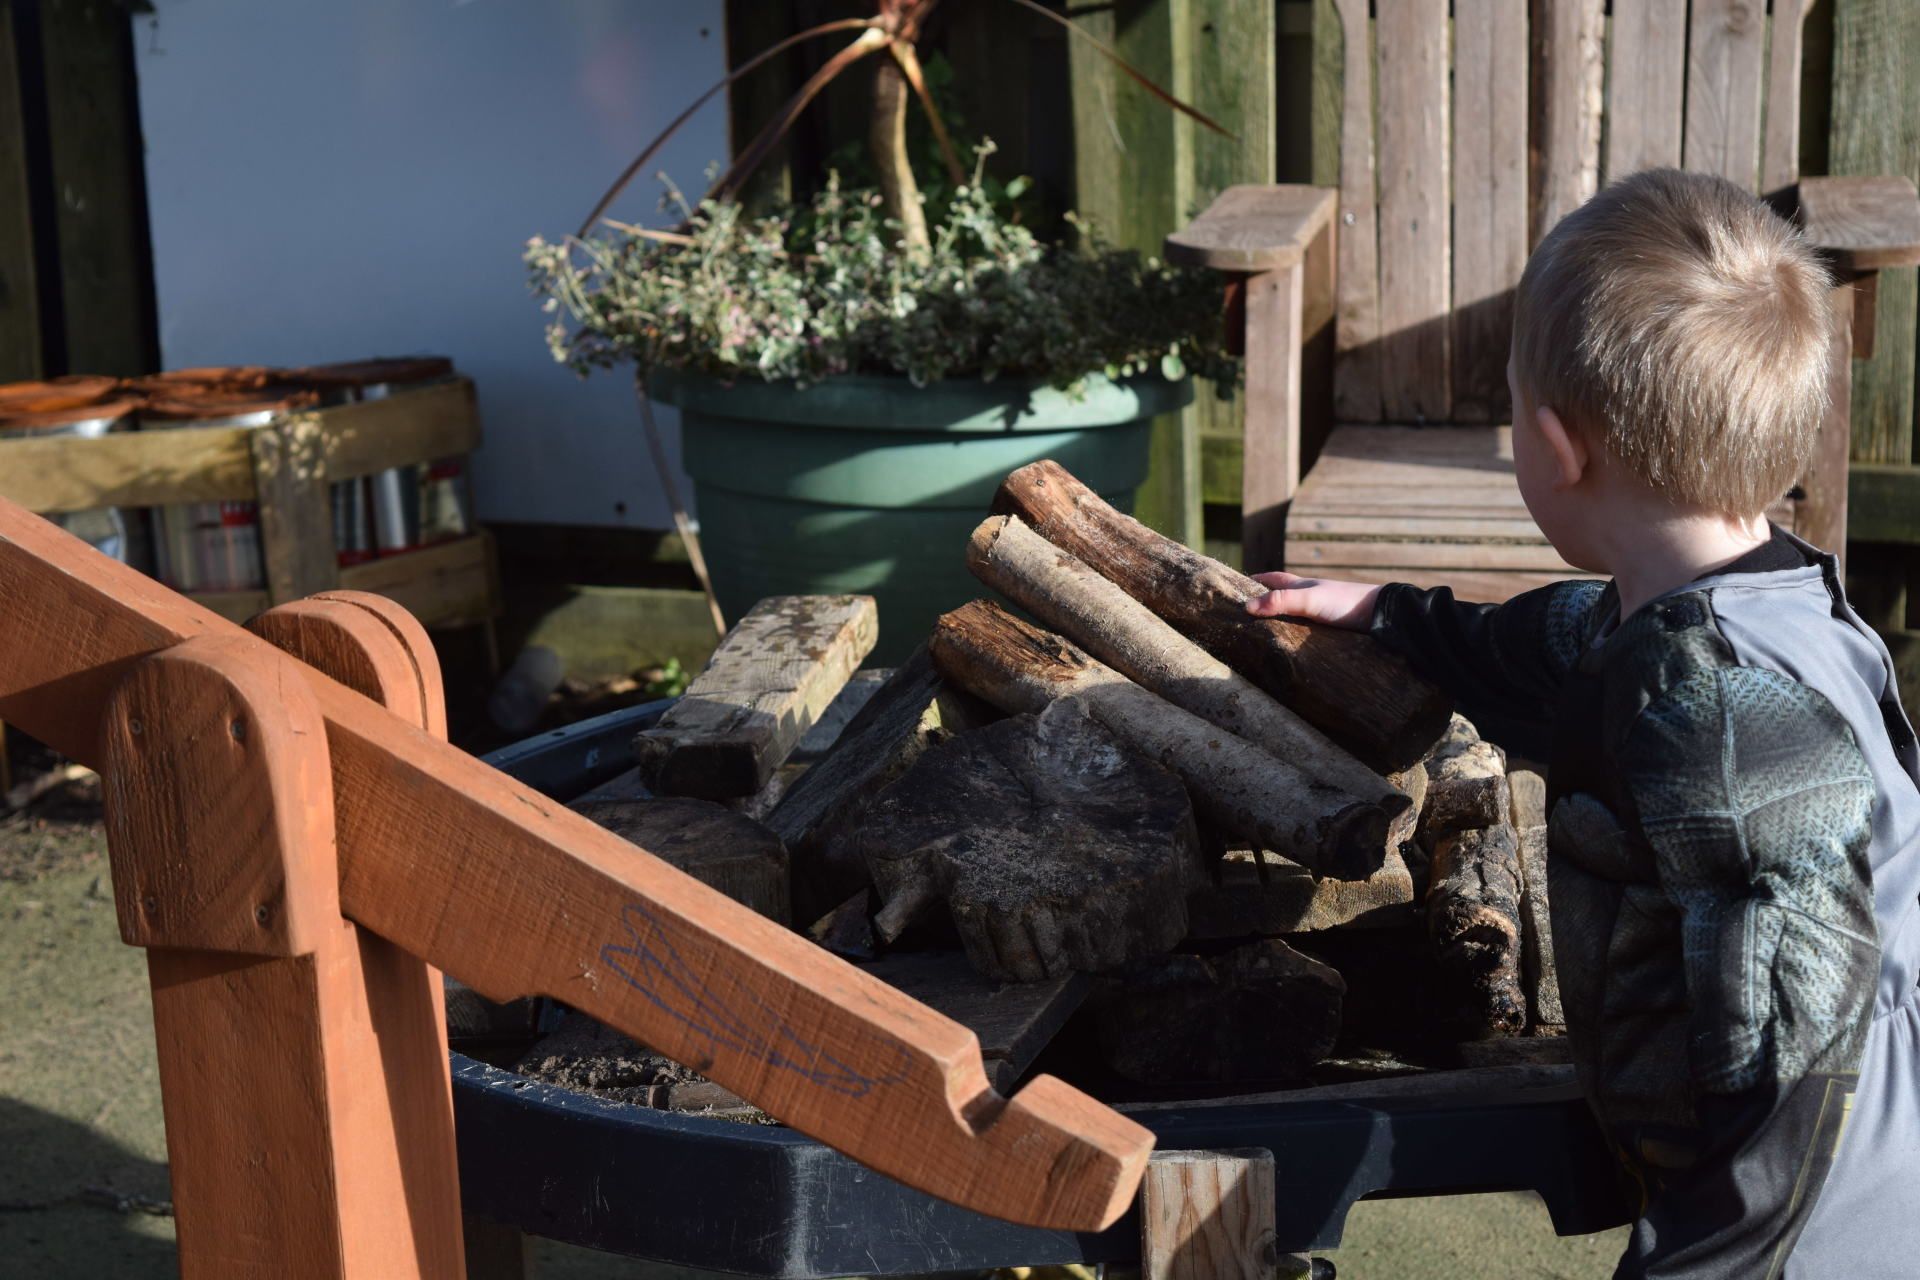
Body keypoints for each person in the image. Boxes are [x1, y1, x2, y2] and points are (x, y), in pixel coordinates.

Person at [1246, 168, 1920, 1277]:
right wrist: (1386, 613)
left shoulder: (1716, 716)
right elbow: (1561, 648)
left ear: (1557, 447)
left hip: (1820, 1216)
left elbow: (1796, 1052)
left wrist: (1705, 1258)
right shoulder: (1761, 602)